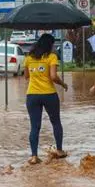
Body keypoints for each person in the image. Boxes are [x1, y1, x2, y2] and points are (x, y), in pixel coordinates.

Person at [20, 33, 68, 165]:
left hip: (32, 95)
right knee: (56, 122)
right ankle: (59, 150)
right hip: (49, 94)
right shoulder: (52, 57)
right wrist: (63, 84)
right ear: (50, 45)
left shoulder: (29, 58)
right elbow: (53, 77)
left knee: (34, 126)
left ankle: (34, 156)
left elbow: (26, 76)